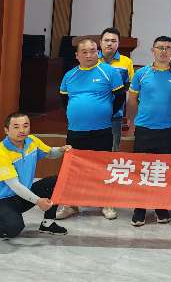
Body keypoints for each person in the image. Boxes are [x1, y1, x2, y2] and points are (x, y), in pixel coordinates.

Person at [56, 36, 124, 221]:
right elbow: (64, 100)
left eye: (93, 51)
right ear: (77, 55)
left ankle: (105, 203)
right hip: (76, 130)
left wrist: (105, 112)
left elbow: (119, 97)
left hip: (102, 129)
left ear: (98, 52)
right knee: (73, 169)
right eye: (84, 52)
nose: (89, 55)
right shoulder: (69, 75)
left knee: (102, 168)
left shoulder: (109, 72)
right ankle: (71, 204)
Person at [127, 36, 171, 226]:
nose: (164, 51)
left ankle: (161, 207)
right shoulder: (141, 74)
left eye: (168, 48)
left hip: (169, 130)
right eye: (160, 48)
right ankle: (140, 208)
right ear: (153, 51)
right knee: (142, 170)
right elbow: (132, 100)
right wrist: (133, 122)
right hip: (145, 129)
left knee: (164, 171)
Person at [0, 112, 71, 239]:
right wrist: (38, 201)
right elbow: (15, 185)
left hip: (22, 196)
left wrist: (61, 150)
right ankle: (5, 222)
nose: (22, 130)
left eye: (25, 126)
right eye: (16, 127)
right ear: (6, 130)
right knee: (14, 228)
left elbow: (50, 153)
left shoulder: (32, 141)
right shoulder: (0, 154)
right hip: (0, 201)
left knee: (56, 181)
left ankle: (47, 224)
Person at [98, 27, 134, 152]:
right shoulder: (92, 60)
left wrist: (129, 114)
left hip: (115, 113)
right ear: (100, 42)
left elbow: (129, 87)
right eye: (106, 40)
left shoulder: (126, 62)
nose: (109, 43)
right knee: (93, 148)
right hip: (93, 111)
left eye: (113, 41)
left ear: (118, 43)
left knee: (113, 148)